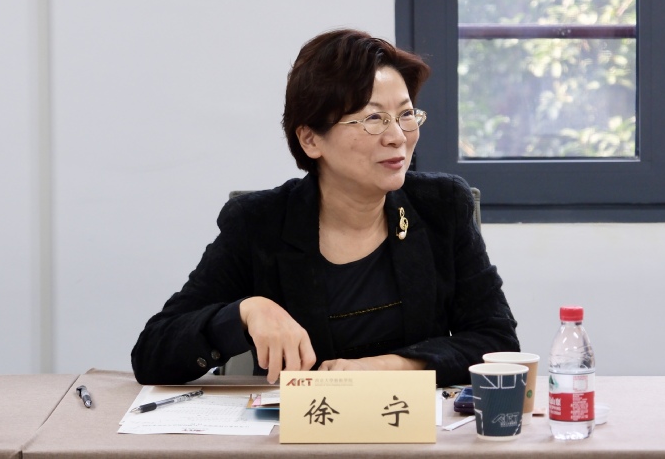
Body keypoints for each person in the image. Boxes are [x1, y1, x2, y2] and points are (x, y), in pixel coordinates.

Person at [131, 29, 520, 387]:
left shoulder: (441, 206)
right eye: (373, 118)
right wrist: (245, 312)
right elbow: (152, 353)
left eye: (405, 115)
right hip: (299, 430)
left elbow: (497, 342)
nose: (397, 136)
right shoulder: (260, 224)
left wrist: (391, 366)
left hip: (410, 426)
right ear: (311, 140)